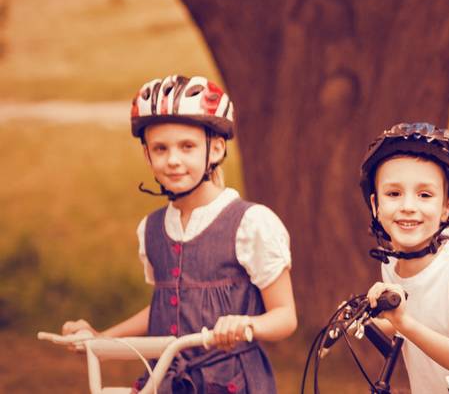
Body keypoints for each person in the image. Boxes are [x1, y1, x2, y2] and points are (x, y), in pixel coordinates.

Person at [61, 75, 297, 393]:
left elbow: (285, 316)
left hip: (232, 384)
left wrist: (246, 325)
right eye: (160, 148)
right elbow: (164, 306)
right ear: (147, 156)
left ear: (215, 149)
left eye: (187, 146)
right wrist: (100, 338)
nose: (173, 160)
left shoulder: (251, 223)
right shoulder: (153, 229)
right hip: (166, 382)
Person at [360, 122, 449, 394]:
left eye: (424, 195)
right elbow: (424, 321)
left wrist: (403, 323)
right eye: (394, 194)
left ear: (447, 207)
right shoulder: (393, 265)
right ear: (376, 206)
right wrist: (377, 321)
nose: (408, 207)